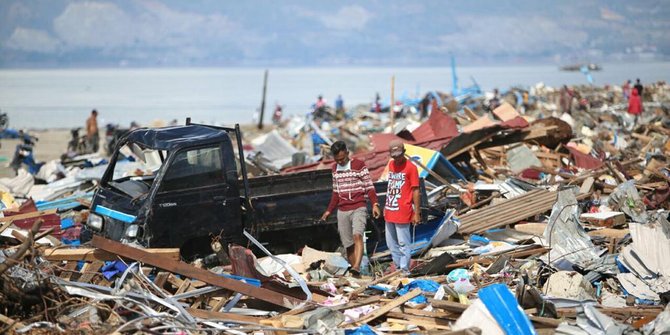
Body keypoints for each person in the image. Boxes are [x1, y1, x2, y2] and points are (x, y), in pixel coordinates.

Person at [321, 141, 381, 277]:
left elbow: (369, 187)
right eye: (337, 160)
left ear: (347, 153)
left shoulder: (359, 165)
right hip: (342, 210)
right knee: (348, 244)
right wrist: (329, 210)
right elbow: (336, 193)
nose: (340, 162)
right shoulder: (334, 169)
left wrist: (375, 204)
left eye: (342, 159)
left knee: (357, 235)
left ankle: (356, 266)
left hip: (358, 206)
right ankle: (355, 273)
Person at [383, 140, 421, 274]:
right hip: (390, 209)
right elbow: (391, 186)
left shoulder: (411, 167)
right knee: (391, 243)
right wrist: (385, 206)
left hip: (403, 210)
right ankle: (398, 267)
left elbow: (416, 190)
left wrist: (417, 212)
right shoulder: (391, 165)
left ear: (404, 152)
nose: (397, 159)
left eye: (399, 155)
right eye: (394, 156)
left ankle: (405, 270)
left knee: (403, 243)